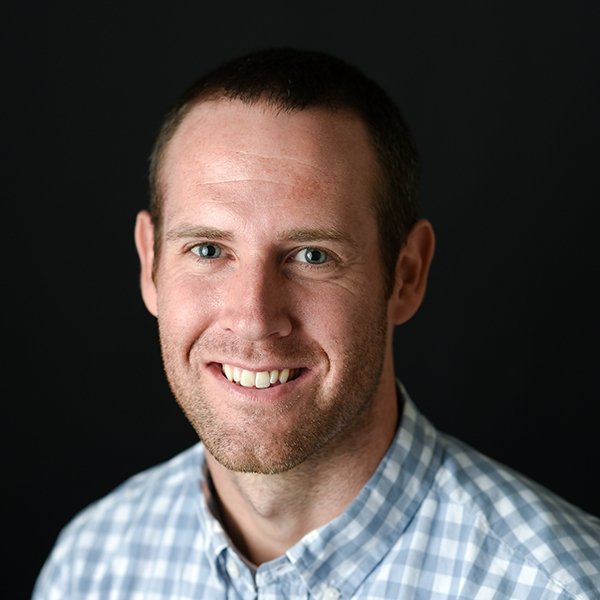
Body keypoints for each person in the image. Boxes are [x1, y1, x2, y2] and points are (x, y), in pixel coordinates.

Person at [32, 46, 600, 600]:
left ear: (405, 275)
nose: (254, 319)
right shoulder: (91, 567)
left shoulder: (562, 585)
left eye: (311, 255)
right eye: (207, 250)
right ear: (149, 264)